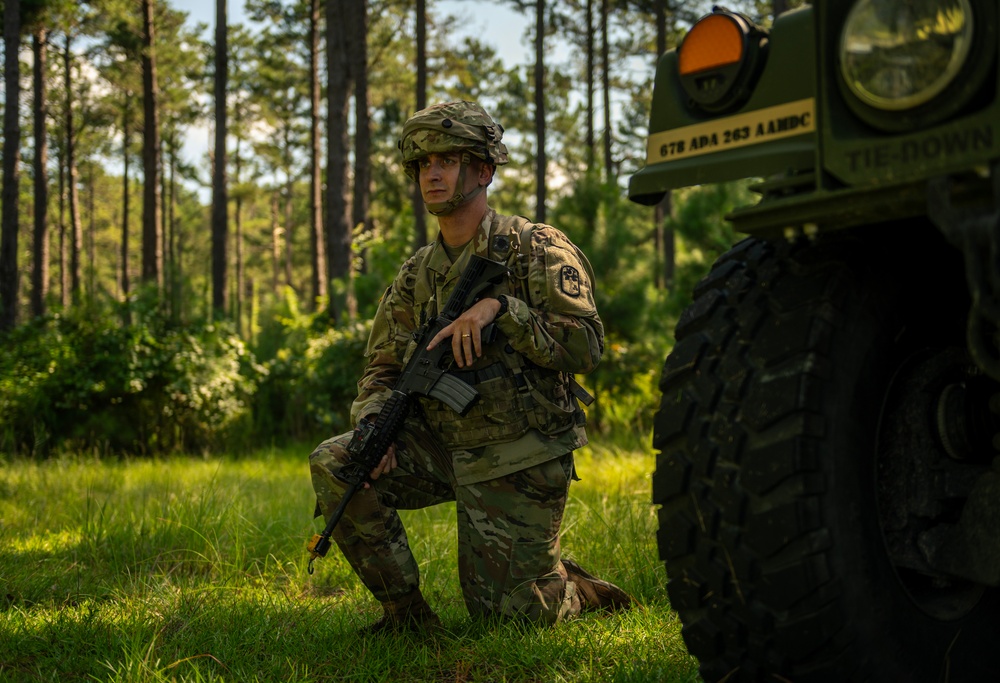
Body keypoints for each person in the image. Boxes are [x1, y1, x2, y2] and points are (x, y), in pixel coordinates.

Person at [309, 100, 632, 632]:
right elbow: (381, 367)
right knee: (340, 461)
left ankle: (568, 587)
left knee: (509, 619)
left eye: (449, 159)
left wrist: (503, 310)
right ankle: (405, 617)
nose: (431, 173)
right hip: (441, 445)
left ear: (483, 169)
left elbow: (587, 348)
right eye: (422, 164)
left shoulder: (535, 249)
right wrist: (374, 424)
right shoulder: (418, 274)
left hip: (519, 448)